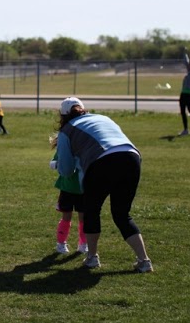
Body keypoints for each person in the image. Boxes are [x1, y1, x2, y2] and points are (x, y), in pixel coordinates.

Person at [54, 97, 152, 272]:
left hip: (102, 163)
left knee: (92, 211)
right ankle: (144, 260)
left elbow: (67, 170)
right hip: (132, 157)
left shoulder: (66, 131)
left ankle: (92, 257)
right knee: (122, 214)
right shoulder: (103, 117)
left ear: (63, 116)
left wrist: (57, 165)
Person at [51, 136, 87, 257]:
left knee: (83, 218)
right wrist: (56, 163)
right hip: (67, 188)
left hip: (82, 189)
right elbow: (54, 162)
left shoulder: (86, 150)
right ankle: (61, 243)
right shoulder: (63, 149)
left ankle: (83, 244)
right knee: (66, 216)